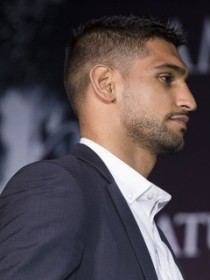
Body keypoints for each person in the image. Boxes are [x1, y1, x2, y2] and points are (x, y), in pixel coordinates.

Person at [0, 15, 196, 280]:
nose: (189, 101)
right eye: (165, 78)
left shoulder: (144, 224)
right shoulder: (57, 187)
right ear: (106, 84)